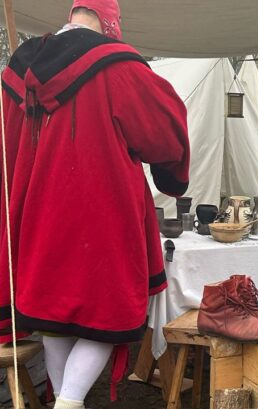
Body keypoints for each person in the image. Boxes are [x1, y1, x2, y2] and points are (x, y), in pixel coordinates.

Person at [0, 1, 190, 408]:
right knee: (105, 318)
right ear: (110, 26)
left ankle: (67, 402)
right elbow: (167, 126)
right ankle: (69, 403)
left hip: (37, 216)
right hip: (100, 215)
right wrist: (170, 171)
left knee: (52, 312)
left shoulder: (18, 69)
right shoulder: (119, 67)